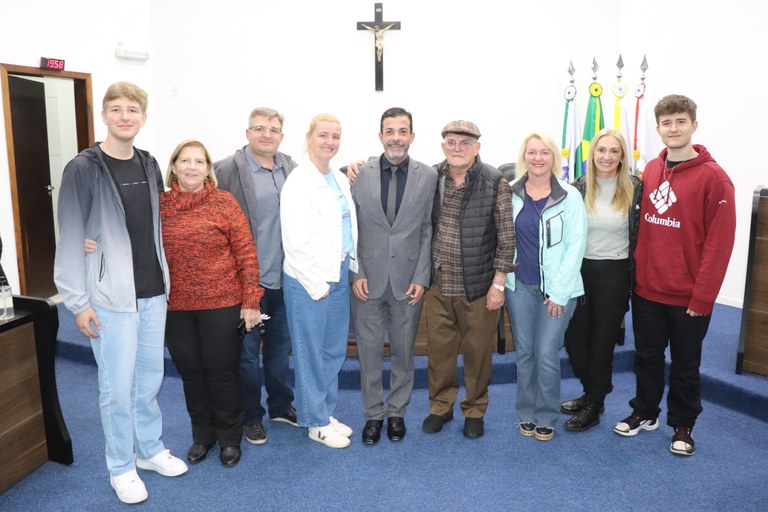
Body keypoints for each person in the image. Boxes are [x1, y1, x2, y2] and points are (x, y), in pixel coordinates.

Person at [54, 82, 187, 505]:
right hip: (109, 298)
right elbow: (70, 233)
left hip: (152, 292)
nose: (124, 116)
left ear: (143, 117)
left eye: (132, 109)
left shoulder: (148, 163)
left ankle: (149, 449)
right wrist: (77, 302)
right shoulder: (82, 168)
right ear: (105, 116)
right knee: (116, 386)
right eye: (116, 109)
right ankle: (121, 466)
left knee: (149, 379)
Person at [614, 95, 736, 456]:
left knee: (685, 364)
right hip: (647, 290)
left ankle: (683, 424)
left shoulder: (715, 179)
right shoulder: (652, 169)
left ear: (694, 125)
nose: (674, 128)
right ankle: (645, 411)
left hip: (688, 297)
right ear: (658, 128)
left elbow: (719, 245)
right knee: (646, 357)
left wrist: (703, 297)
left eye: (681, 121)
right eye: (667, 123)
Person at [160, 140, 264, 467]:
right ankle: (202, 435)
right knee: (191, 373)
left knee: (222, 373)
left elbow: (246, 254)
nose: (191, 167)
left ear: (208, 169)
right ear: (173, 166)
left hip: (222, 303)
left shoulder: (224, 202)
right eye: (184, 161)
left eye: (199, 161)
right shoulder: (159, 205)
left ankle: (229, 438)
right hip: (176, 307)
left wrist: (251, 301)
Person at [422, 120, 515, 439]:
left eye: (465, 143)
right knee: (439, 353)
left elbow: (507, 238)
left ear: (477, 147)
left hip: (478, 287)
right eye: (451, 142)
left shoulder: (494, 181)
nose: (457, 148)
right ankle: (441, 406)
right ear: (443, 145)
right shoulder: (432, 177)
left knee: (477, 355)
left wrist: (498, 285)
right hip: (439, 284)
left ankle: (475, 409)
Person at [350, 107, 437, 445]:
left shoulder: (428, 176)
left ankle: (397, 412)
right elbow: (351, 225)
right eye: (390, 131)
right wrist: (356, 271)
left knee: (403, 351)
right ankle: (373, 414)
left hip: (408, 280)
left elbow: (427, 228)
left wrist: (422, 276)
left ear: (412, 136)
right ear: (380, 136)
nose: (396, 138)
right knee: (369, 353)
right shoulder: (359, 173)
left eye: (403, 131)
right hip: (367, 280)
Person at [215, 108, 298, 446]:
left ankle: (281, 406)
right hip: (248, 284)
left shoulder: (291, 169)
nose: (267, 134)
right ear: (247, 132)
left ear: (282, 136)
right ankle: (251, 416)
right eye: (259, 128)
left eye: (273, 129)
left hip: (284, 281)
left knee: (279, 350)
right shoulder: (226, 170)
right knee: (247, 355)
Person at [280, 114, 357, 449]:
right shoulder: (299, 181)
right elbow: (294, 240)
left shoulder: (337, 178)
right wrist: (315, 283)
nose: (330, 142)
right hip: (308, 280)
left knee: (333, 351)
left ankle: (323, 410)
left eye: (335, 136)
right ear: (309, 137)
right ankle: (315, 422)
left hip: (337, 272)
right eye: (323, 135)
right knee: (310, 353)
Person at [504, 132, 587, 442]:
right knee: (525, 353)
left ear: (554, 157)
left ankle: (547, 415)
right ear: (524, 156)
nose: (537, 158)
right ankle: (526, 412)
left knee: (546, 353)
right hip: (520, 288)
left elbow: (576, 246)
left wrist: (559, 293)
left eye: (544, 152)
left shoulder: (570, 195)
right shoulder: (510, 192)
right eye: (532, 152)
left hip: (558, 291)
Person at [561, 128, 643, 432]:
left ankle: (594, 404)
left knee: (601, 342)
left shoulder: (636, 188)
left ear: (622, 157)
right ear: (592, 153)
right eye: (601, 150)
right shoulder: (577, 187)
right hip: (580, 271)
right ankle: (593, 391)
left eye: (614, 151)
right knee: (574, 340)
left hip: (615, 273)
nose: (607, 157)